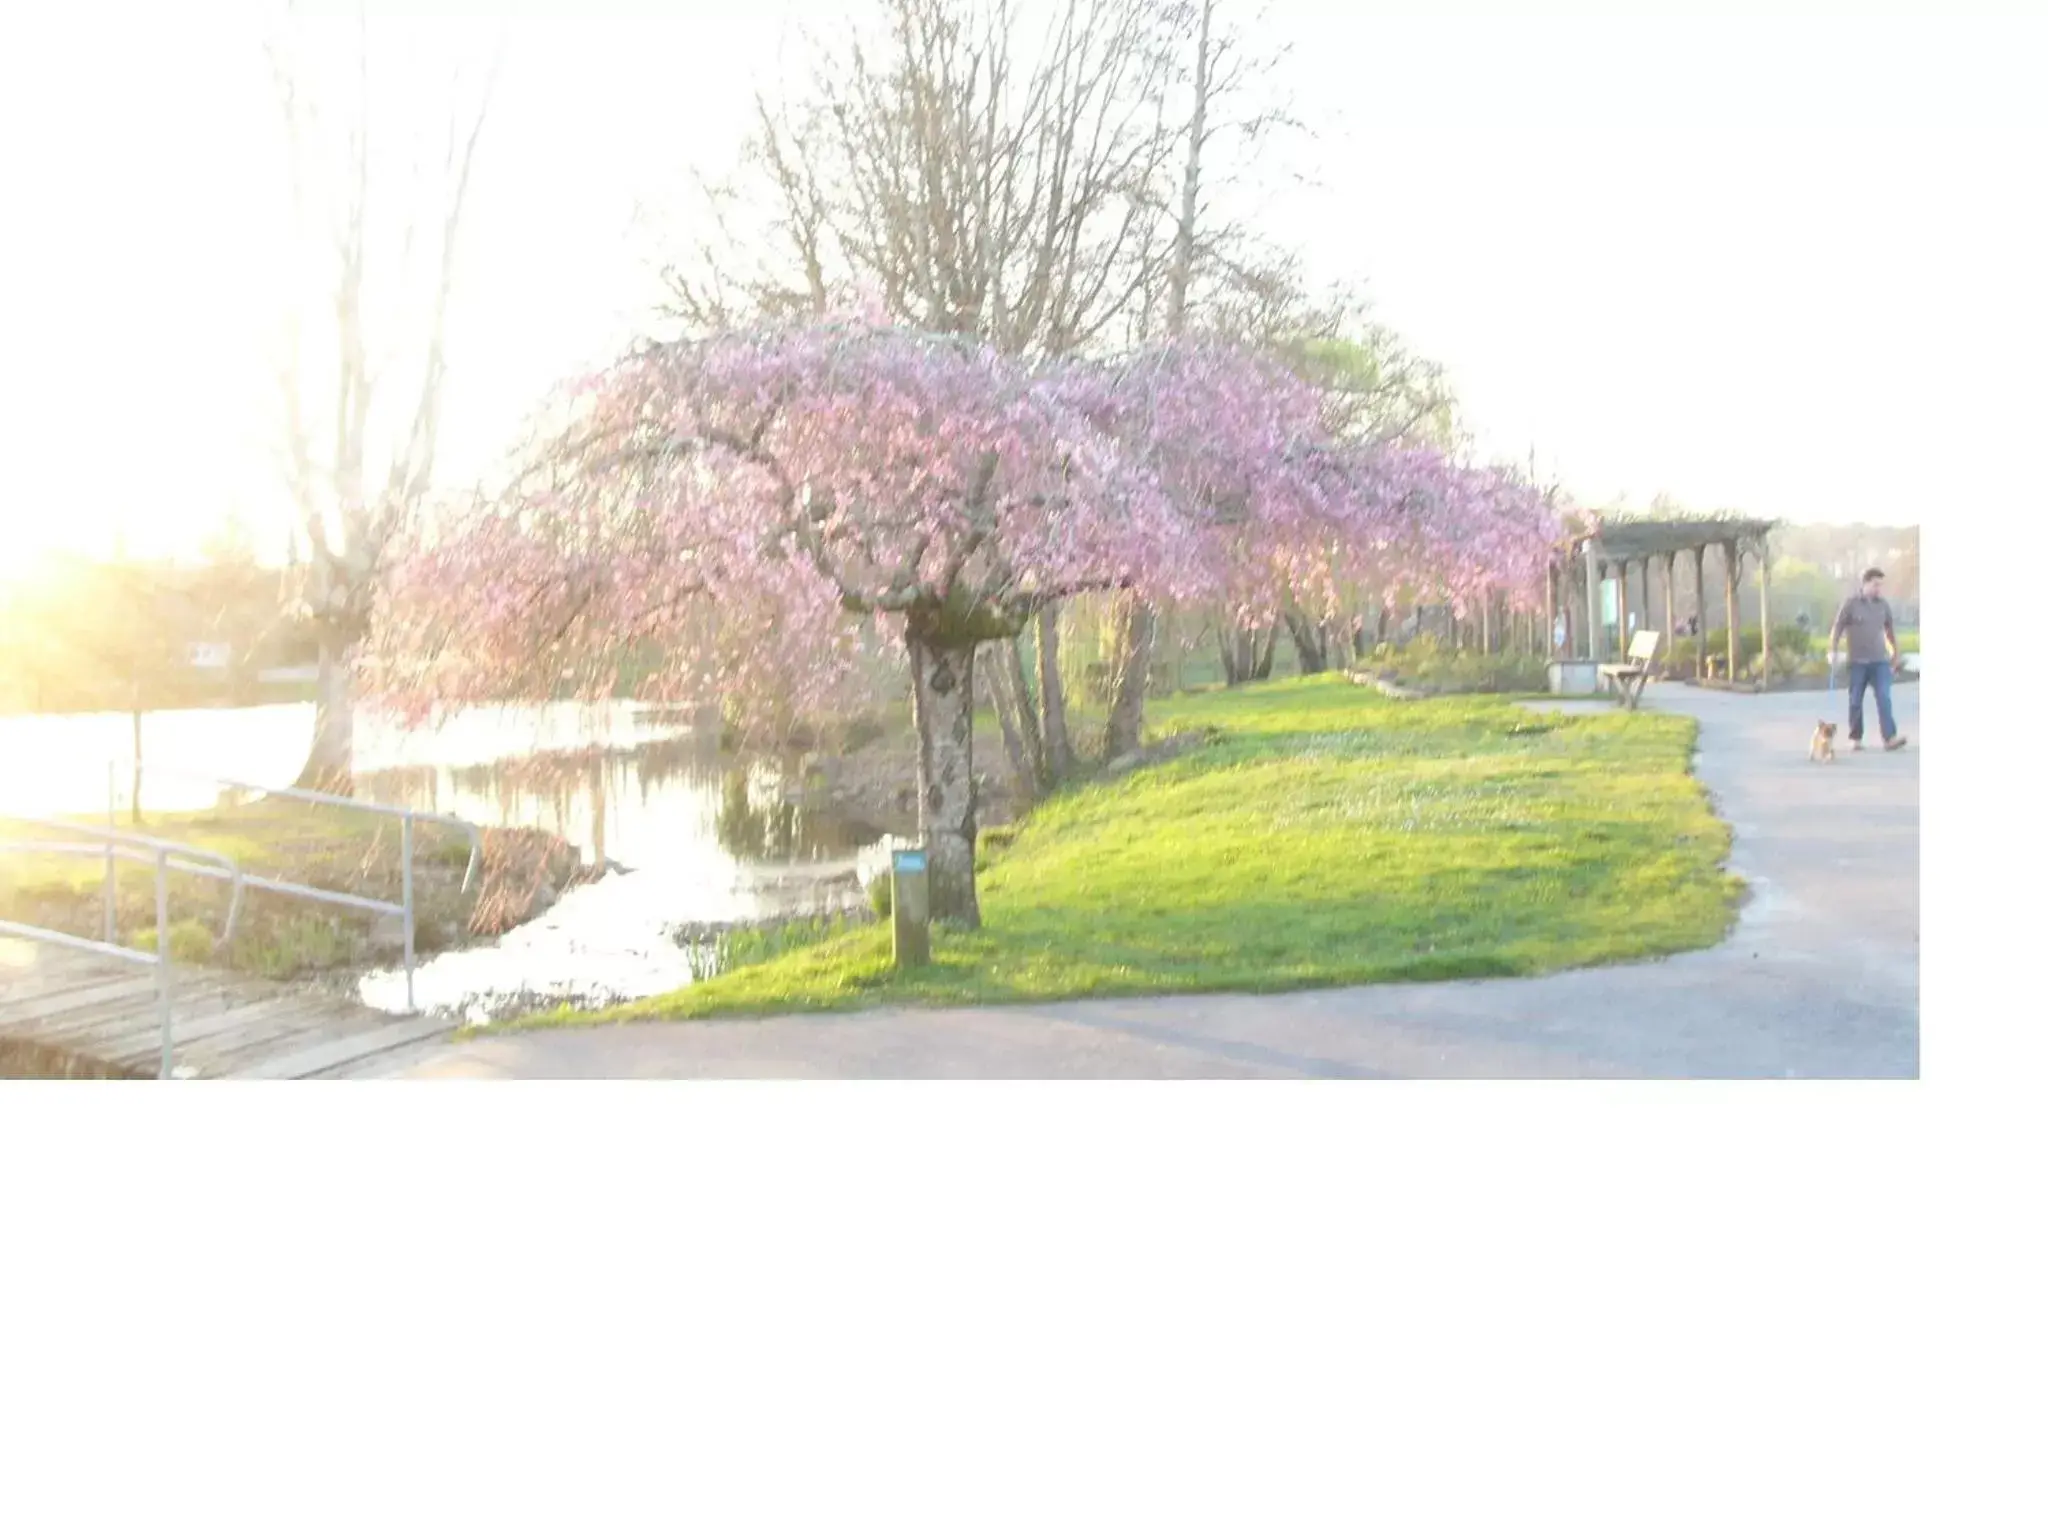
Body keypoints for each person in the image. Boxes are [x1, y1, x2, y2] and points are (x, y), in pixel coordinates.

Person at [1828, 567, 1907, 751]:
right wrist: (1833, 650)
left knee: (1884, 697)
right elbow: (1838, 628)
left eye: (1881, 585)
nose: (1878, 589)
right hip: (1857, 662)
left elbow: (1890, 632)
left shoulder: (1883, 606)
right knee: (1855, 700)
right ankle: (1856, 738)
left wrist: (1896, 654)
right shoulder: (1851, 604)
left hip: (1880, 661)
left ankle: (1890, 738)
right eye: (1875, 585)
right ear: (1865, 584)